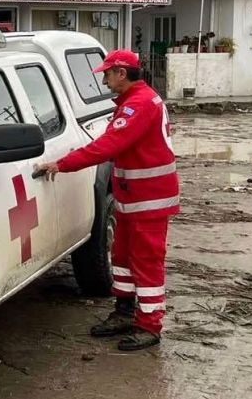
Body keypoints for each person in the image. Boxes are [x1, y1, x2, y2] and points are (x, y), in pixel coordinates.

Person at [33, 50, 178, 352]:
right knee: (123, 258)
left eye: (107, 74)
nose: (104, 79)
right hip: (133, 198)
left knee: (147, 264)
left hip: (148, 200)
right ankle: (125, 312)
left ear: (122, 73)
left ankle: (149, 325)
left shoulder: (137, 105)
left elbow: (109, 145)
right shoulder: (137, 100)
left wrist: (63, 163)